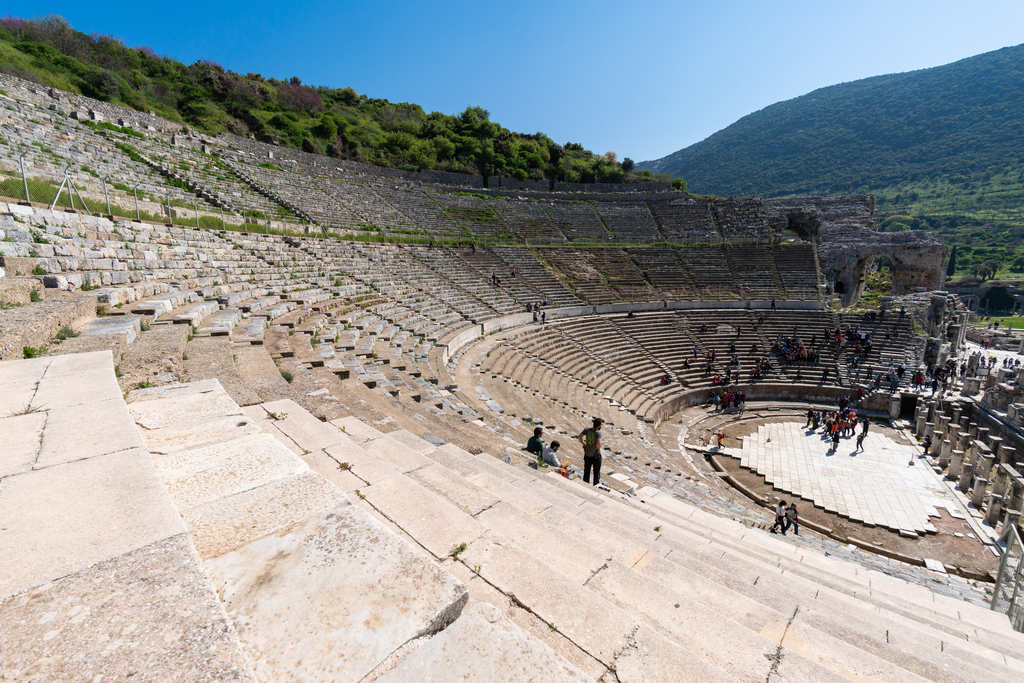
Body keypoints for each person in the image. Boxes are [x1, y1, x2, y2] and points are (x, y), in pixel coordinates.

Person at [577, 417, 603, 486]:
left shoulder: (587, 430)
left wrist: (584, 443)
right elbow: (599, 443)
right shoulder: (598, 433)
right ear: (599, 425)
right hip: (595, 456)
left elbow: (579, 437)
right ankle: (596, 487)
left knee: (586, 472)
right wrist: (599, 450)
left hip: (587, 454)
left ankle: (585, 486)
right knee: (596, 473)